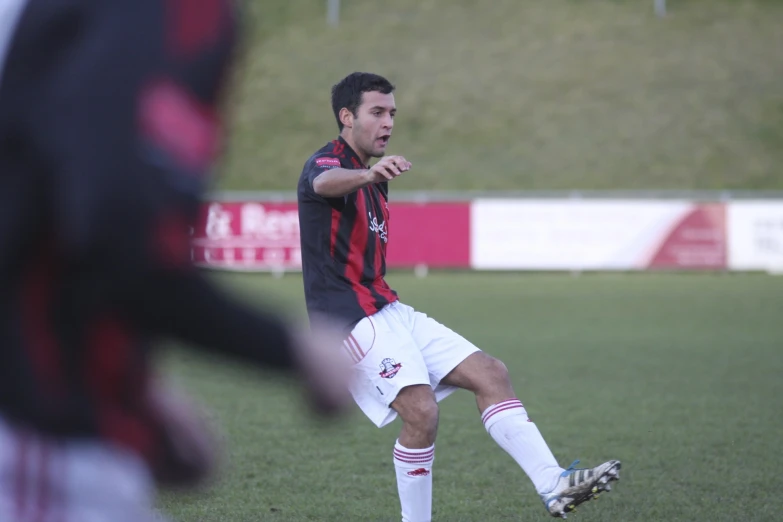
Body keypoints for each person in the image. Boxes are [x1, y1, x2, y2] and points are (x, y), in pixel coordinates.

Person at [0, 1, 351, 521]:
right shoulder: (175, 12)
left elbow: (43, 205)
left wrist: (133, 385)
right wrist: (293, 349)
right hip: (38, 446)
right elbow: (117, 227)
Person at [297, 71, 622, 521]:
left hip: (386, 307)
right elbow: (320, 185)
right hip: (348, 318)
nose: (388, 122)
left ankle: (553, 484)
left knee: (491, 373)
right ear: (346, 116)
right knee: (421, 413)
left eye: (392, 112)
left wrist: (373, 175)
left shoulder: (375, 175)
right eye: (377, 112)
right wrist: (368, 173)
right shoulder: (329, 164)